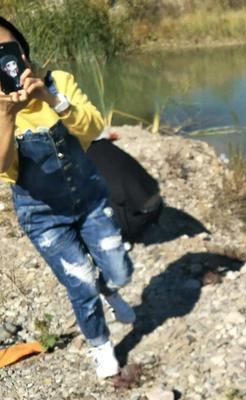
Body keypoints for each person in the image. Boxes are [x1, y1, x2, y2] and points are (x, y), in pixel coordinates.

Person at [0, 17, 134, 378]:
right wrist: (7, 117)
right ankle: (100, 345)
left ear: (22, 52)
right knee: (81, 284)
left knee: (120, 272)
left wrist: (49, 97)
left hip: (90, 199)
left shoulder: (59, 81)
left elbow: (93, 128)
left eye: (6, 51)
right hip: (44, 218)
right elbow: (2, 166)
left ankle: (111, 288)